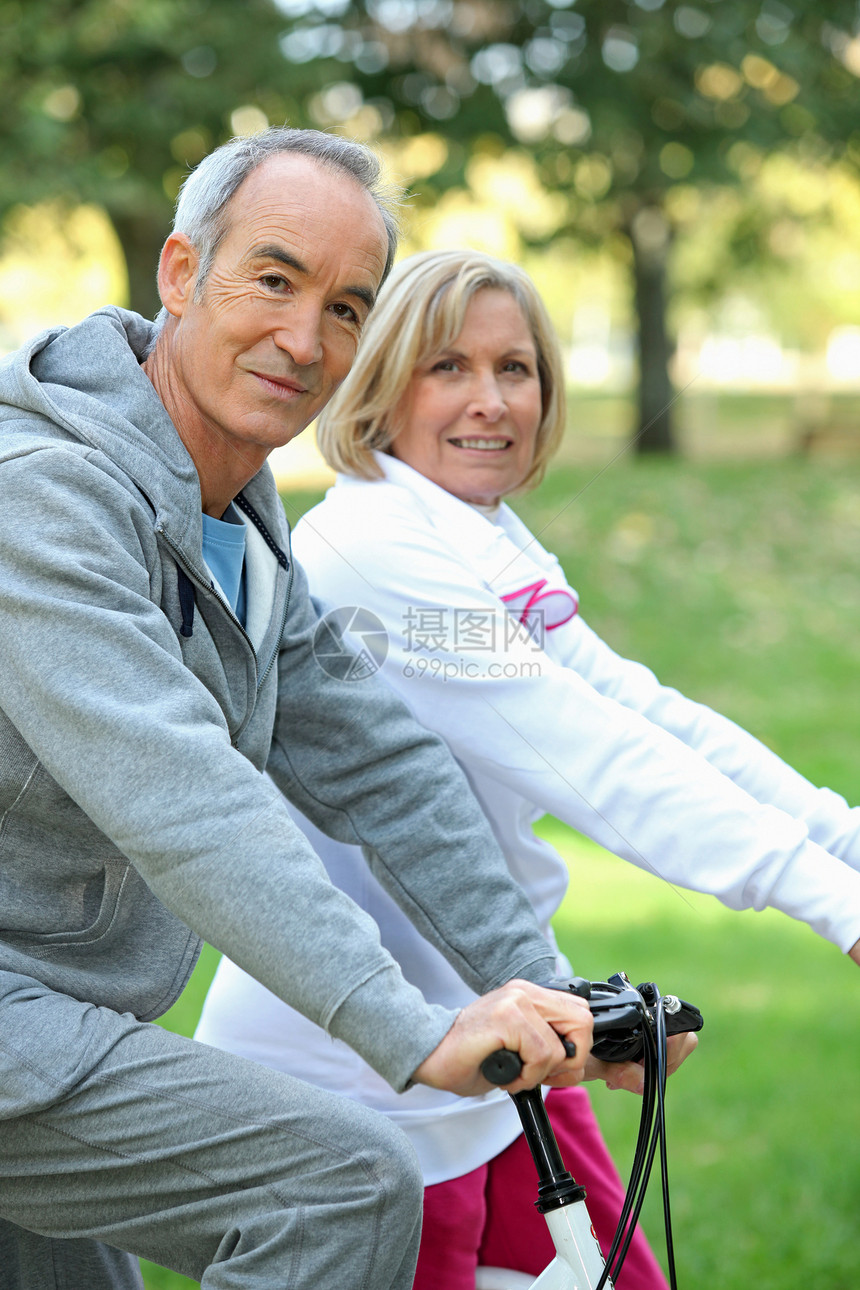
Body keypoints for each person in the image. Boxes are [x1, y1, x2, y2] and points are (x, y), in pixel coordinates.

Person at [0, 133, 665, 1290]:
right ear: (177, 271)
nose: (305, 340)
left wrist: (547, 988)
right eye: (273, 278)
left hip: (57, 1021)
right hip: (31, 1026)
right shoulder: (46, 504)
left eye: (347, 306)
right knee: (336, 1181)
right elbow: (185, 799)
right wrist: (405, 1028)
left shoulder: (239, 522)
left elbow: (380, 764)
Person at [197, 247, 860, 1290]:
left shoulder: (475, 535)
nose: (490, 401)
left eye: (516, 369)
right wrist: (836, 906)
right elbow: (589, 756)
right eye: (446, 367)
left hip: (501, 1036)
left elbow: (641, 711)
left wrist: (842, 842)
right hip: (363, 1082)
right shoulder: (377, 552)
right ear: (381, 382)